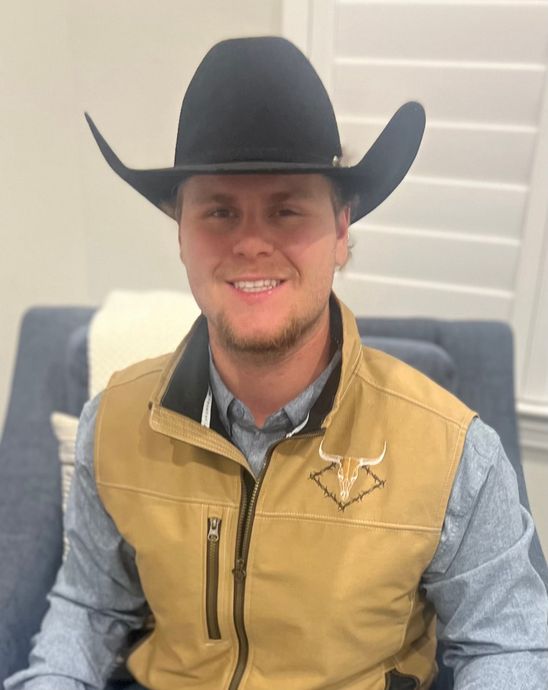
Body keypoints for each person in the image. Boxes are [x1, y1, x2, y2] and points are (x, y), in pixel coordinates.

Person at [5, 36, 548, 690]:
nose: (252, 243)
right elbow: (90, 606)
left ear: (342, 230)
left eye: (287, 209)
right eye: (219, 211)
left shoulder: (454, 452)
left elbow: (508, 644)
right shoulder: (114, 424)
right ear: (180, 233)